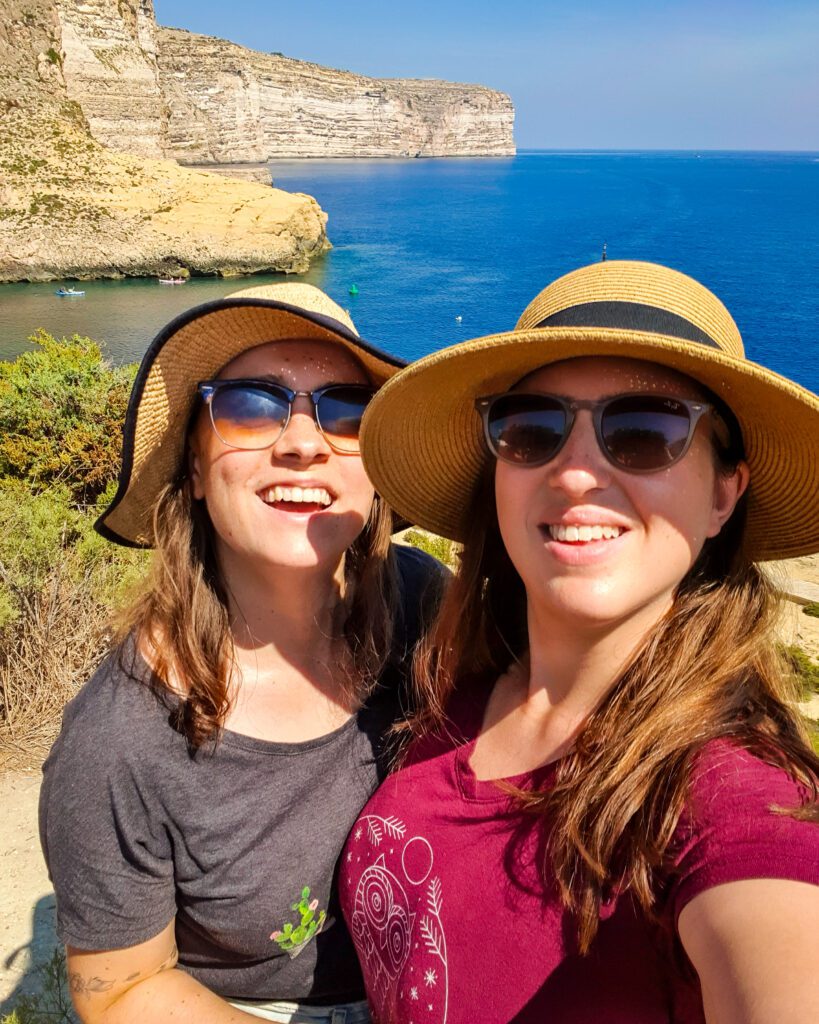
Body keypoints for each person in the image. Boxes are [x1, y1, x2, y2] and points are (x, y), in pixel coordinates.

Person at [339, 260, 819, 1023]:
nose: (575, 474)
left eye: (643, 431)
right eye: (531, 428)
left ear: (723, 494)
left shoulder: (729, 799)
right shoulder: (456, 684)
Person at [39, 283, 442, 1024]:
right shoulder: (120, 741)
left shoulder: (426, 609)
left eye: (346, 409)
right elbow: (124, 989)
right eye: (251, 406)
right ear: (192, 468)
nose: (301, 441)